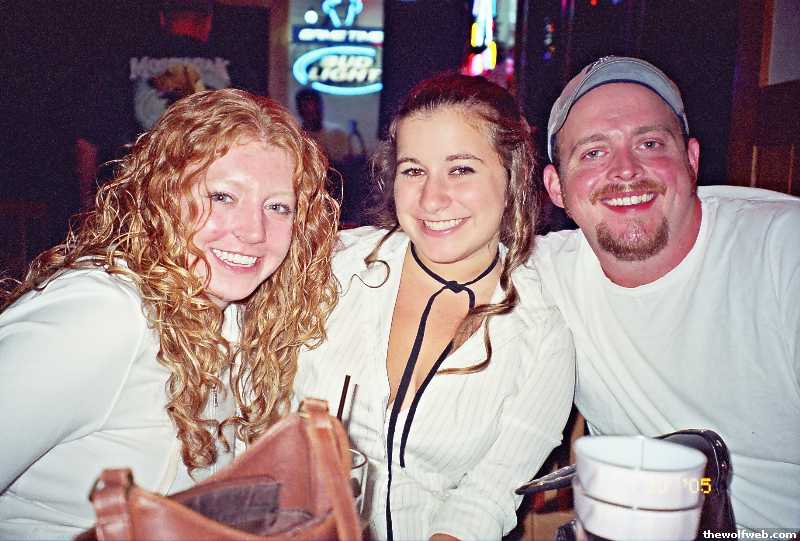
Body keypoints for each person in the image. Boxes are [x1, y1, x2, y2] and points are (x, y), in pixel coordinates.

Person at [0, 88, 339, 540]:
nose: (253, 231)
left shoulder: (239, 318)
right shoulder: (102, 316)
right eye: (222, 197)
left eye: (278, 207)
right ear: (162, 195)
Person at [293, 73, 575, 541]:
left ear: (513, 175)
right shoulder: (331, 268)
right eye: (413, 170)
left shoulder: (541, 331)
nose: (431, 198)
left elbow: (487, 497)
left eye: (461, 169)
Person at [533, 56, 800, 530]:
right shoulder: (545, 273)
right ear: (557, 188)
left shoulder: (783, 251)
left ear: (691, 161)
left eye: (650, 144)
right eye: (593, 153)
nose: (626, 171)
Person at [76, 0, 263, 210]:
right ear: (208, 21)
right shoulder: (235, 64)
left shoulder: (121, 60)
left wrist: (88, 204)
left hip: (138, 200)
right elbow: (259, 134)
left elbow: (87, 142)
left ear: (163, 18)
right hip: (211, 198)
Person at [295, 87, 350, 163]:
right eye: (306, 107)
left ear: (321, 108)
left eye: (315, 108)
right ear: (300, 111)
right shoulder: (295, 137)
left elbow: (345, 163)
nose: (311, 110)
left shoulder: (337, 133)